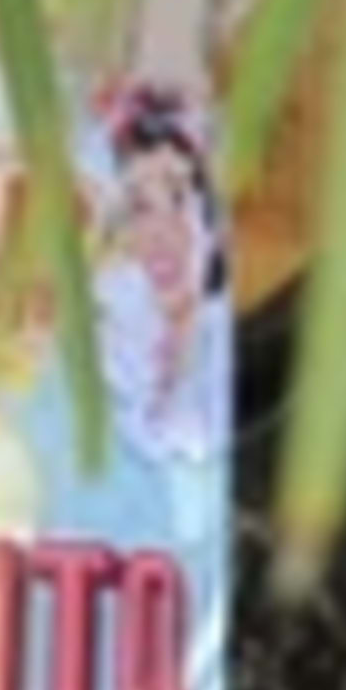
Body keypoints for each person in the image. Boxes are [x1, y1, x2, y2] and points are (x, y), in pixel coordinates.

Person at [90, 88, 230, 462]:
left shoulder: (229, 346)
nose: (159, 233)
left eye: (179, 198)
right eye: (139, 207)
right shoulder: (119, 351)